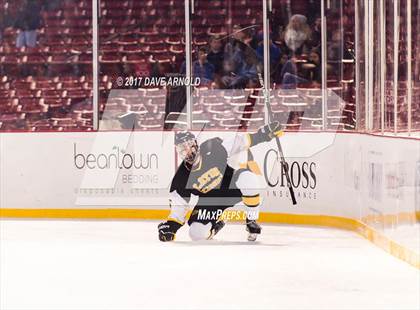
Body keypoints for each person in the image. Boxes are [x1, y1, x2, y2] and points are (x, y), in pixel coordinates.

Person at [158, 122, 284, 242]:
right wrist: (171, 228)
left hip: (230, 188)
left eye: (188, 145)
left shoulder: (214, 147)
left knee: (248, 178)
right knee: (196, 234)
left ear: (195, 143)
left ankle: (251, 221)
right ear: (178, 152)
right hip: (209, 203)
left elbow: (241, 142)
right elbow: (178, 207)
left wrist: (265, 133)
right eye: (182, 148)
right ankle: (218, 223)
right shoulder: (181, 178)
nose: (187, 150)